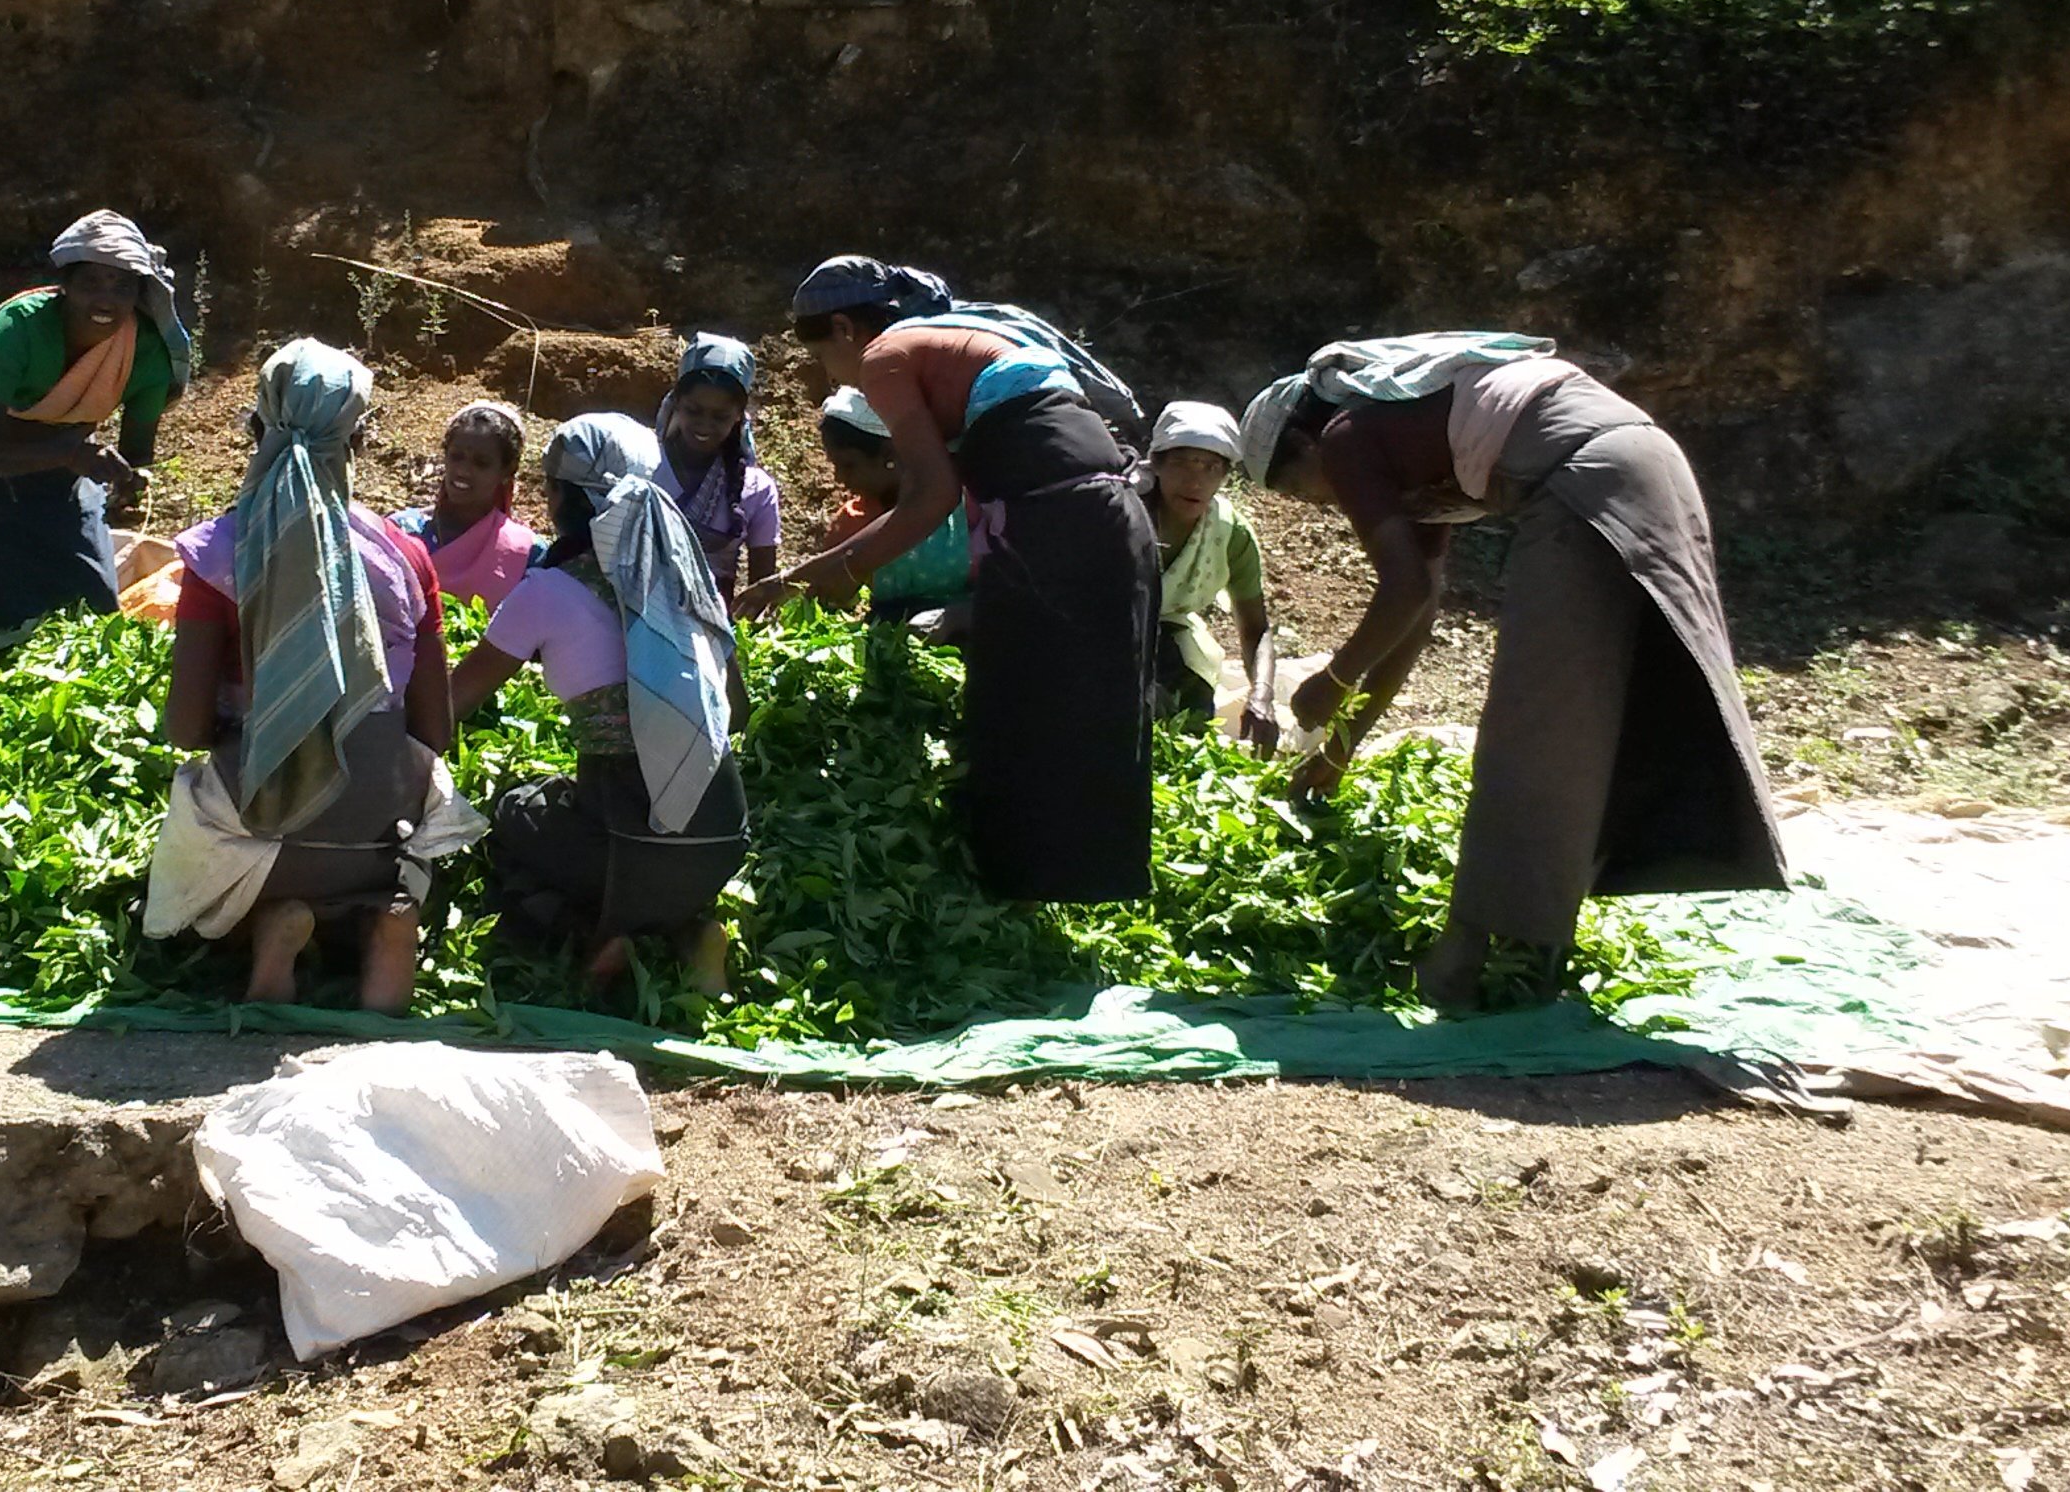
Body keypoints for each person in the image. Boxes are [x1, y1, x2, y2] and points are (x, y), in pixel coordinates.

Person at [1237, 331, 1787, 1011]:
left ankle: (1462, 961)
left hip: (1584, 479)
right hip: (1648, 463)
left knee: (1528, 731)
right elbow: (1420, 606)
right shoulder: (1413, 448)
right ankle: (1535, 952)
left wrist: (1333, 681)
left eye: (1303, 491)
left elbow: (1402, 590)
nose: (1323, 505)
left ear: (1308, 443)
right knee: (1595, 717)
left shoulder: (1349, 436)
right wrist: (1344, 747)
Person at [739, 257, 1151, 902]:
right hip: (1100, 516)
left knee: (1022, 705)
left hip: (1055, 520)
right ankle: (1057, 889)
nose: (831, 373)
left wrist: (808, 577)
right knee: (1077, 704)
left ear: (844, 328)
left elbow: (929, 495)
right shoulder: (962, 343)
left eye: (821, 354)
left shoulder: (886, 355)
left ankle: (1017, 891)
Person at [143, 340, 470, 1014]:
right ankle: (384, 925)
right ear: (360, 439)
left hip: (271, 822)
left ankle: (268, 927)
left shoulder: (219, 552)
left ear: (254, 428)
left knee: (191, 848)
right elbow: (436, 730)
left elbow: (184, 728)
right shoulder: (405, 555)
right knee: (420, 806)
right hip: (383, 828)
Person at [451, 414, 746, 992]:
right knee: (629, 846)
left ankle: (594, 935)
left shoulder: (548, 590)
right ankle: (687, 932)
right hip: (722, 834)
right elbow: (737, 706)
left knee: (509, 815)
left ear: (560, 496)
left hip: (624, 838)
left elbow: (453, 702)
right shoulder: (687, 580)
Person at [0, 210, 196, 663]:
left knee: (87, 586)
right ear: (64, 286)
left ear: (139, 294)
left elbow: (136, 454)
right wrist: (66, 454)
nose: (105, 299)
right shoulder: (20, 328)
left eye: (121, 286)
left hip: (63, 442)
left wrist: (126, 480)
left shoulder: (145, 357)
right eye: (91, 283)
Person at [1145, 400, 1272, 736]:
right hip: (1099, 635)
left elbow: (1255, 627)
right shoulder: (1123, 511)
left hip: (1169, 636)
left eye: (1210, 467)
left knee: (1190, 719)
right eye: (1182, 464)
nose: (1195, 482)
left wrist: (1261, 694)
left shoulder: (1229, 532)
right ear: (1156, 464)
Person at [817, 386, 976, 629]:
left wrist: (955, 617)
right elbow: (830, 601)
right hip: (888, 645)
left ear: (888, 455)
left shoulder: (965, 506)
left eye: (849, 465)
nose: (839, 478)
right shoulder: (854, 521)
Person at [650, 334, 782, 601]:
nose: (704, 425)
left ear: (738, 416)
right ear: (676, 402)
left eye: (720, 416)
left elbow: (762, 588)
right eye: (694, 411)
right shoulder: (643, 463)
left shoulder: (757, 490)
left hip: (710, 635)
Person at [388, 399, 542, 607]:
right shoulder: (402, 532)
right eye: (456, 457)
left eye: (481, 463)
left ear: (507, 471)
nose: (463, 471)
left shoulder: (527, 554)